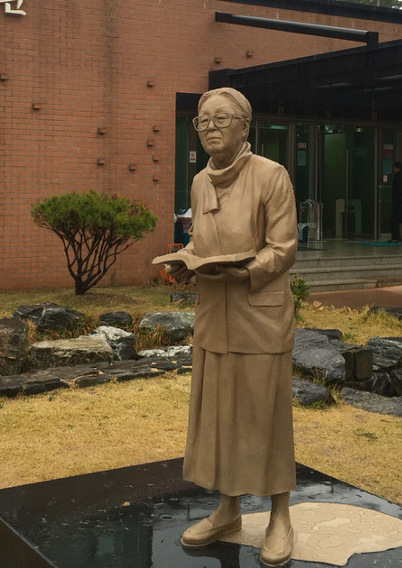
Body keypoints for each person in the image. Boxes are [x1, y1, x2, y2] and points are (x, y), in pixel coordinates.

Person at [165, 87, 298, 567]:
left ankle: (280, 516)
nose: (210, 128)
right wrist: (186, 262)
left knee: (265, 415)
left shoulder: (271, 175)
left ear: (245, 126)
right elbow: (200, 241)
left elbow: (283, 247)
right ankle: (228, 509)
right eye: (203, 121)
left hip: (259, 314)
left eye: (221, 119)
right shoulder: (200, 181)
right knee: (218, 416)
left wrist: (244, 271)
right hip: (214, 316)